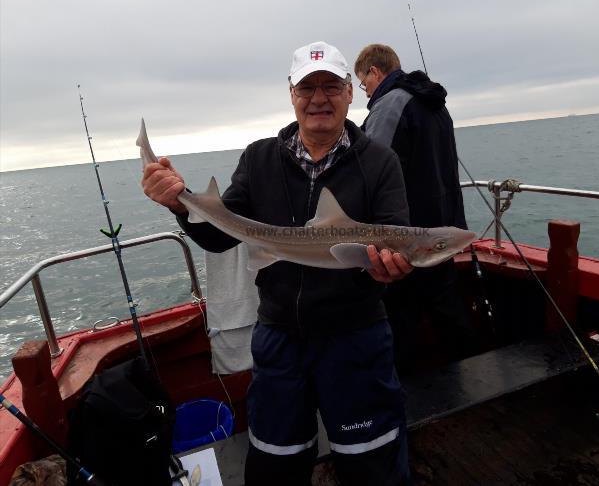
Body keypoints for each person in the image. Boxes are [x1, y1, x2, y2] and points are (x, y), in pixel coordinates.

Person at [142, 41, 412, 486]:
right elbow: (216, 234)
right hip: (280, 337)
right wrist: (179, 204)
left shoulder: (380, 162)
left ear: (349, 92)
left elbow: (394, 234)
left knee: (373, 463)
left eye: (331, 86)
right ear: (291, 94)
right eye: (307, 87)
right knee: (274, 461)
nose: (319, 98)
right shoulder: (259, 158)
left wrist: (389, 267)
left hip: (356, 339)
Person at [354, 44, 471, 374]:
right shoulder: (435, 104)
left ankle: (408, 392)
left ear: (375, 73)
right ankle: (470, 376)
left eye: (364, 84)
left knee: (400, 316)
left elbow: (370, 169)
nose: (366, 94)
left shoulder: (390, 104)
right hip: (442, 231)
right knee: (446, 307)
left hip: (406, 238)